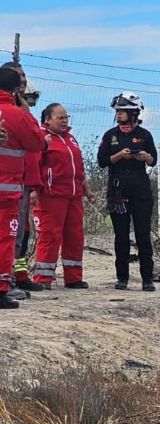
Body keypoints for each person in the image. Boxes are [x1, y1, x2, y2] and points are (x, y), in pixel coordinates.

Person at [97, 91, 157, 291]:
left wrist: (145, 157)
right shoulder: (110, 135)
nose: (118, 114)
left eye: (122, 111)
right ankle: (122, 278)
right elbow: (102, 162)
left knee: (143, 235)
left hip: (140, 188)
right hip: (118, 189)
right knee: (121, 236)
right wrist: (119, 155)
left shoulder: (144, 135)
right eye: (117, 111)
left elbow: (153, 160)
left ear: (133, 113)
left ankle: (147, 279)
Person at [0, 67, 48, 309]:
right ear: (16, 89)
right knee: (6, 239)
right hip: (7, 190)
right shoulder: (17, 115)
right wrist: (26, 113)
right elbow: (37, 142)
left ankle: (17, 278)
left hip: (18, 186)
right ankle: (2, 288)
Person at [33, 103, 94, 290]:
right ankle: (43, 278)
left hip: (74, 196)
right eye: (60, 117)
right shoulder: (42, 138)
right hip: (51, 196)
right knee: (50, 235)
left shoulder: (71, 139)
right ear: (47, 119)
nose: (65, 120)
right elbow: (35, 165)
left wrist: (87, 190)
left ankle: (74, 278)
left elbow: (79, 169)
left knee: (75, 236)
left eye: (66, 117)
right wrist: (35, 189)